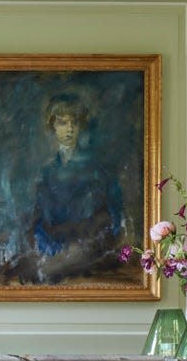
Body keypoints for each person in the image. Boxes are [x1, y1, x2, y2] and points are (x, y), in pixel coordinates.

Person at [26, 94, 126, 284]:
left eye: (74, 123)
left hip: (87, 252)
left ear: (81, 127)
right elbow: (39, 220)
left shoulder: (97, 171)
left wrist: (85, 246)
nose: (70, 128)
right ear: (53, 127)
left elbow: (113, 219)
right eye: (63, 123)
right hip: (52, 250)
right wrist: (49, 248)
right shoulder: (46, 173)